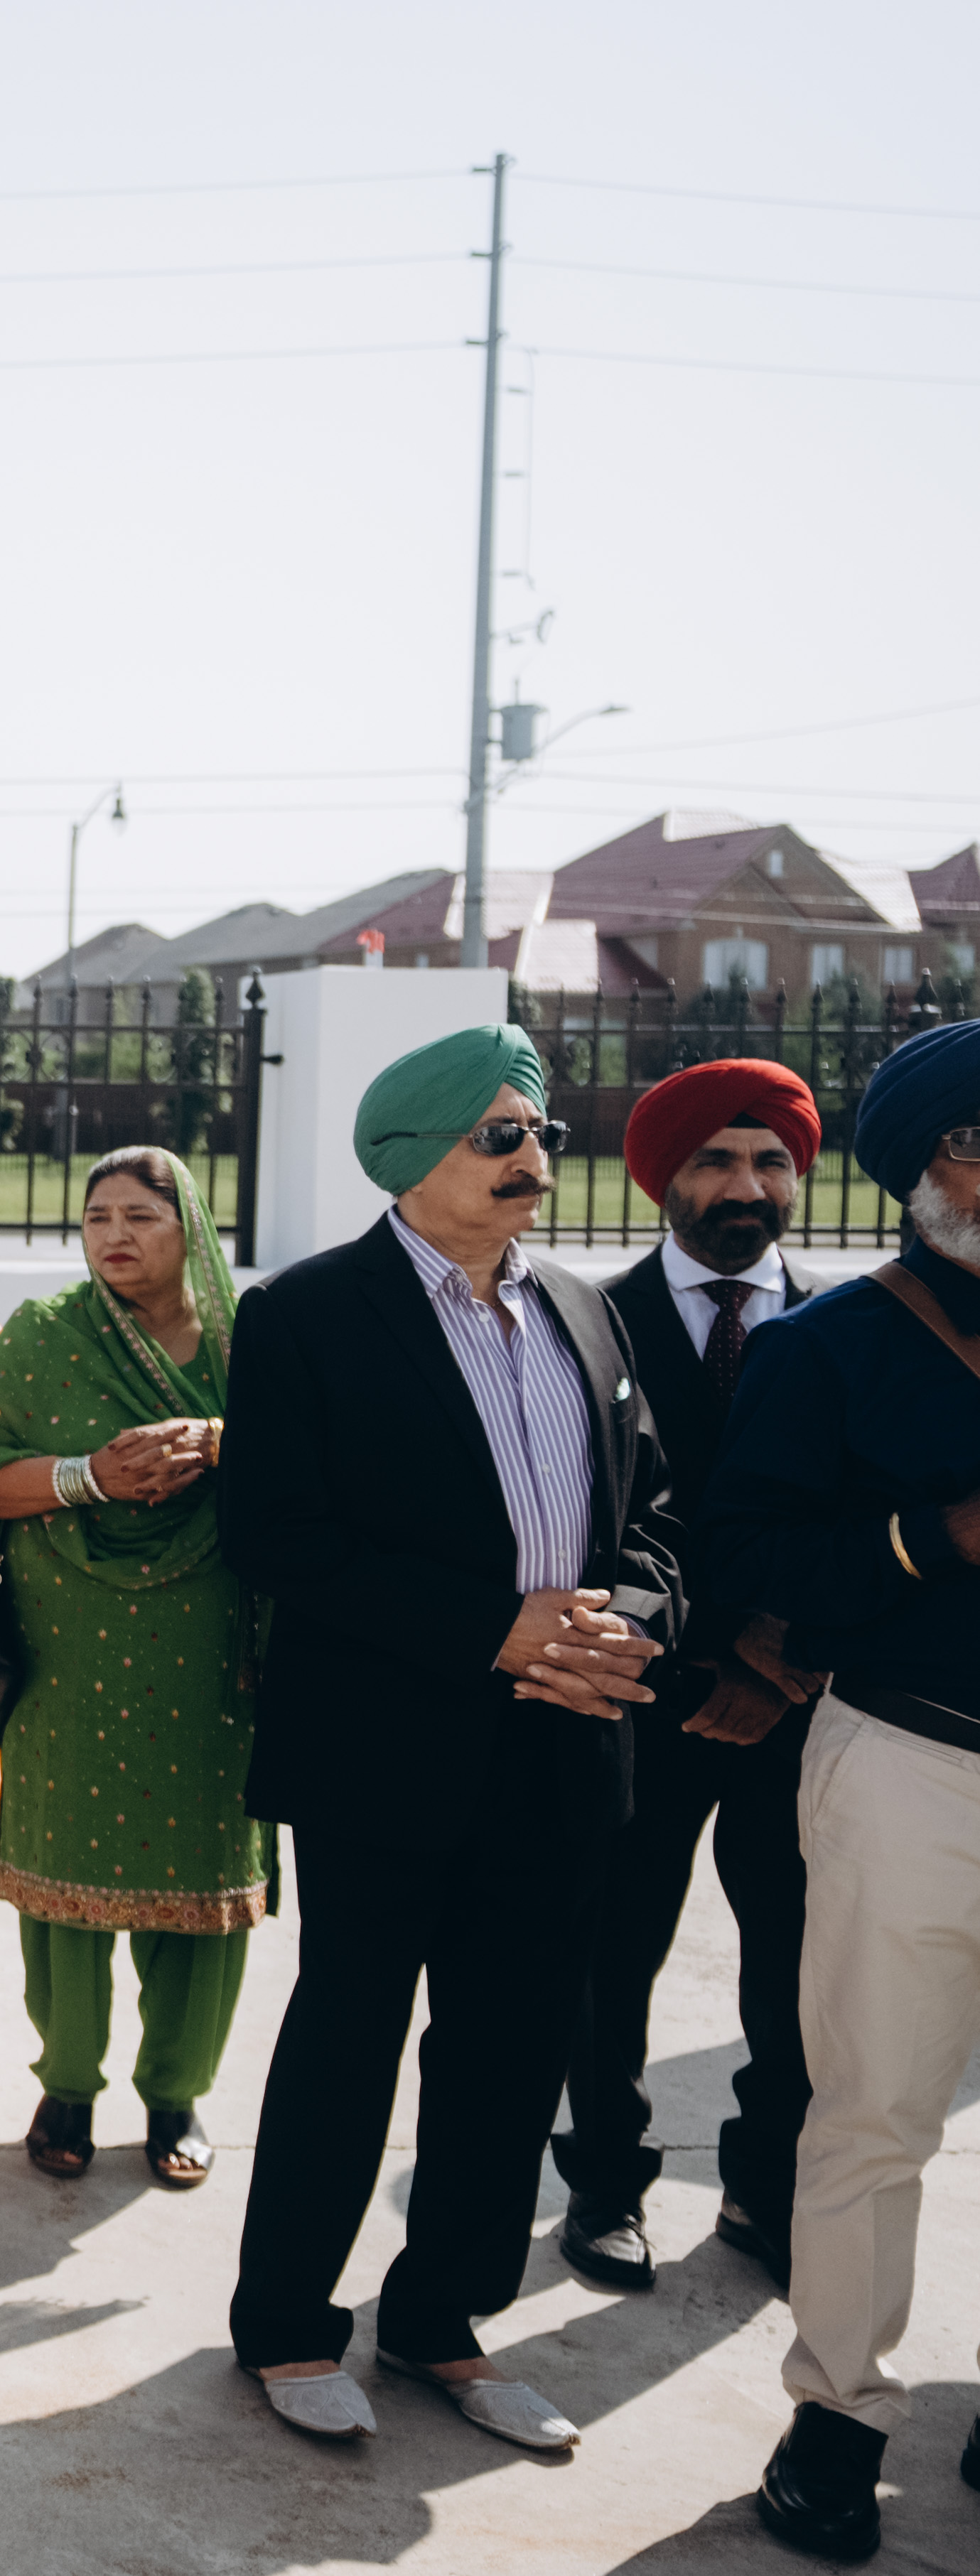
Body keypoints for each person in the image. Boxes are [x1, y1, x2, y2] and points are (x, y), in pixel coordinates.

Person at [221, 1024, 677, 2453]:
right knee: (348, 2039)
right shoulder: (304, 1315)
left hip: (563, 1749)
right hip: (383, 1754)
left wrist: (627, 1622)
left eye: (539, 1131)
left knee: (511, 2047)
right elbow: (277, 1537)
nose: (533, 1158)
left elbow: (653, 1509)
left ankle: (441, 2320)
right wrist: (494, 1628)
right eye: (499, 1136)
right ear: (412, 1157)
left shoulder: (583, 1309)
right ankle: (287, 2325)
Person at [708, 1019, 980, 2561]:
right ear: (918, 1173)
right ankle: (837, 2413)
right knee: (873, 2108)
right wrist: (934, 1537)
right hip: (910, 1766)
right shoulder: (825, 1349)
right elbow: (753, 1572)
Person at [0, 1144, 262, 2189]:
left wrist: (219, 1442)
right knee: (64, 1884)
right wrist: (89, 1475)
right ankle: (66, 2086)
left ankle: (175, 2094)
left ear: (189, 1227)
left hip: (208, 1653)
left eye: (139, 1215)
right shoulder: (45, 1336)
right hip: (67, 1651)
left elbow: (316, 1460)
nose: (113, 1235)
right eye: (96, 1218)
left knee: (202, 1876)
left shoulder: (248, 1343)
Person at [551, 1058, 823, 2299]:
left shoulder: (845, 1328)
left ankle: (764, 2185)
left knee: (795, 1967)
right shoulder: (588, 1324)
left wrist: (783, 1659)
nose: (744, 1186)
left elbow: (864, 1511)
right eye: (714, 1160)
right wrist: (702, 1661)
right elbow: (588, 1521)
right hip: (641, 1700)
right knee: (610, 1955)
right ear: (662, 1178)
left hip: (800, 1706)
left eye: (768, 1161)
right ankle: (604, 2184)